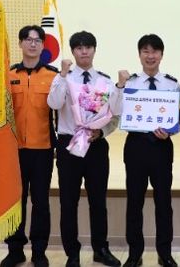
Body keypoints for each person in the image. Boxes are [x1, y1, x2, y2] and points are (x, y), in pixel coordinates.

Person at [47, 31, 122, 267]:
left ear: (94, 50)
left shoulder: (105, 81)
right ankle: (72, 253)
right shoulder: (63, 78)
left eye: (88, 47)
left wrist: (102, 132)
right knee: (68, 202)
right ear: (73, 51)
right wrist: (62, 75)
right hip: (69, 145)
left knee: (98, 201)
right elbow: (54, 103)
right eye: (79, 48)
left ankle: (101, 249)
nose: (84, 51)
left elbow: (115, 115)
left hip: (95, 145)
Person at [116, 34, 180, 267]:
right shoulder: (129, 82)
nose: (150, 56)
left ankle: (165, 253)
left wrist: (171, 131)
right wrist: (120, 86)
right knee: (134, 202)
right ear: (139, 54)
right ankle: (135, 253)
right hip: (136, 146)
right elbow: (116, 110)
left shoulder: (171, 84)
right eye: (145, 51)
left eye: (154, 51)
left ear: (161, 55)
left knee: (164, 202)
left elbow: (179, 119)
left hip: (162, 147)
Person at [0, 25, 58, 267]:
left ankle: (39, 250)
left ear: (43, 45)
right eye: (28, 39)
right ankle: (15, 249)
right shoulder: (8, 75)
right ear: (20, 43)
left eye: (37, 40)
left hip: (43, 148)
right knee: (15, 201)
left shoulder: (53, 76)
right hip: (14, 151)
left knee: (41, 202)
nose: (32, 44)